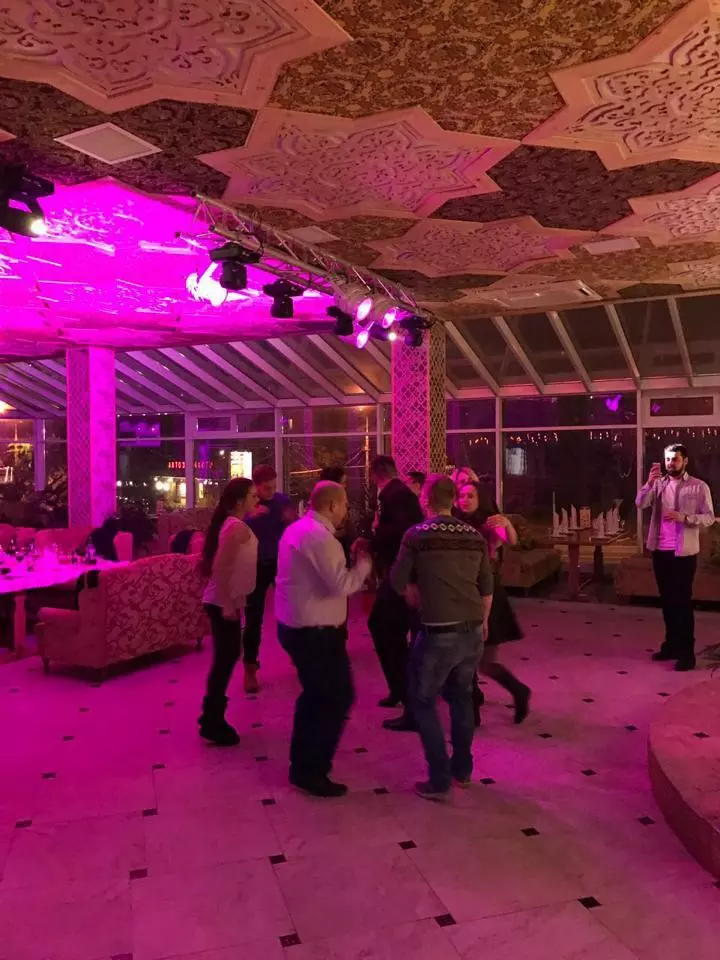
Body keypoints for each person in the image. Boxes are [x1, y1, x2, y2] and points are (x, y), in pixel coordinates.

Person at [391, 474, 494, 801]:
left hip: (439, 629)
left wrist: (411, 590)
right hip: (473, 628)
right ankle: (462, 770)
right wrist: (484, 621)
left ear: (426, 499)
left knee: (423, 700)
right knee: (461, 697)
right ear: (452, 500)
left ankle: (439, 779)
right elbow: (486, 587)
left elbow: (396, 579)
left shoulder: (416, 535)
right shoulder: (474, 536)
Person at [275, 481, 372, 797]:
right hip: (314, 632)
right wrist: (364, 566)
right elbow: (341, 585)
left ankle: (303, 765)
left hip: (297, 626)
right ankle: (312, 769)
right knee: (336, 697)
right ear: (332, 505)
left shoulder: (297, 530)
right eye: (344, 505)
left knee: (315, 696)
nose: (346, 511)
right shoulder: (318, 537)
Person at [456, 481, 530, 725]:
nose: (464, 500)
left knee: (484, 661)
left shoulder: (488, 522)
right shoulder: (454, 522)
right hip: (464, 592)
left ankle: (518, 690)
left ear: (480, 498)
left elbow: (510, 541)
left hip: (487, 592)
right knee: (467, 657)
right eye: (461, 496)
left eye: (470, 496)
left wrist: (506, 523)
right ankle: (473, 706)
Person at [636, 443, 714, 671]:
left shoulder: (698, 486)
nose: (671, 463)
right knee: (667, 601)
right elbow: (640, 503)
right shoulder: (658, 484)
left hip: (683, 553)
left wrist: (684, 517)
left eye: (675, 459)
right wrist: (649, 483)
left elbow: (709, 518)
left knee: (682, 602)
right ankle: (671, 645)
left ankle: (687, 653)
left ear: (685, 461)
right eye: (668, 459)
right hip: (660, 551)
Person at [198, 478, 259, 745]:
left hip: (227, 600)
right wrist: (227, 604)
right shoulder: (235, 528)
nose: (257, 500)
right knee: (225, 659)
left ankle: (211, 716)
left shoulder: (234, 525)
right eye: (253, 496)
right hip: (222, 602)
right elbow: (221, 568)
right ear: (240, 502)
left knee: (227, 657)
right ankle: (212, 719)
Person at [366, 455, 424, 727]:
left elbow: (402, 534)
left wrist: (376, 533)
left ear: (375, 474)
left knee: (384, 629)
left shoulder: (396, 495)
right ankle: (402, 690)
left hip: (401, 576)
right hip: (401, 575)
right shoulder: (400, 494)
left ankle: (407, 696)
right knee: (390, 631)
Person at [244, 465, 296, 693]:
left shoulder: (282, 501)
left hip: (279, 562)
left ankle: (298, 653)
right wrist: (250, 517)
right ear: (256, 486)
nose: (271, 492)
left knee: (291, 609)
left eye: (274, 487)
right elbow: (233, 528)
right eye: (267, 488)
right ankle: (250, 667)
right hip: (254, 565)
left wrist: (292, 519)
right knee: (253, 617)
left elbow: (295, 527)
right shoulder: (248, 505)